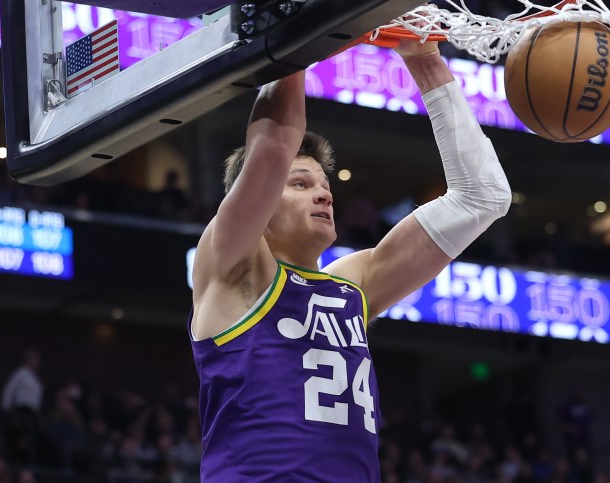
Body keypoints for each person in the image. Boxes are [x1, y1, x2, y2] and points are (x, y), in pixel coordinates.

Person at [188, 36, 511, 481]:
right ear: (256, 201)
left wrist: (427, 62)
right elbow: (274, 143)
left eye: (324, 185)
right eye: (300, 184)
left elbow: (484, 197)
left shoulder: (351, 288)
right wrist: (299, 27)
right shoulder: (232, 267)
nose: (323, 193)